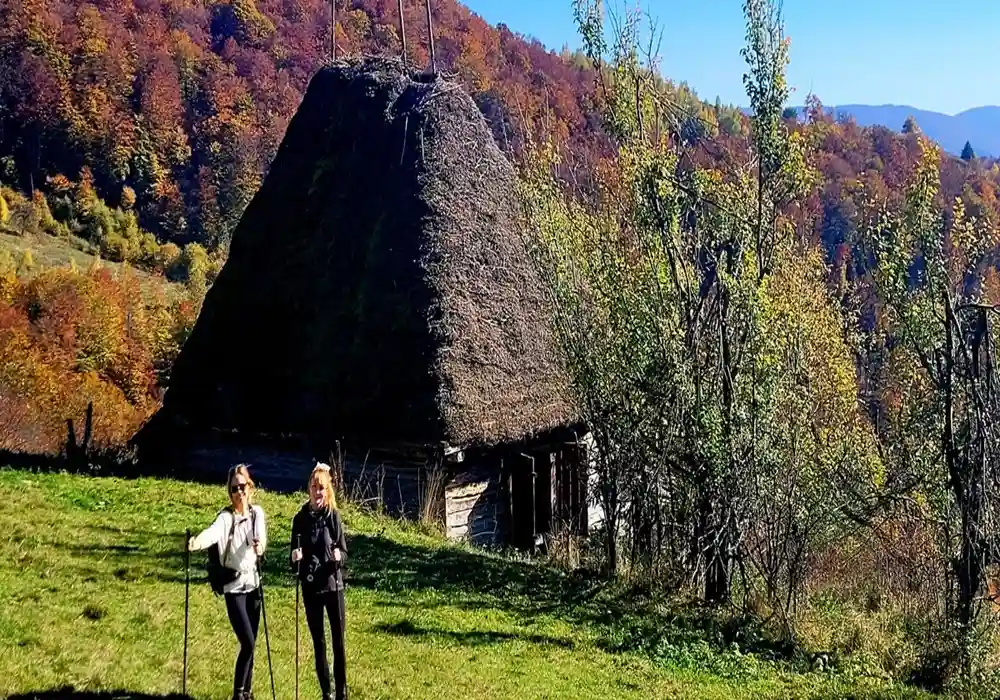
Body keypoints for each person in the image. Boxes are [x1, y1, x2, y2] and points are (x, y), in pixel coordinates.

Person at [188, 464, 268, 700]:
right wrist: (195, 542)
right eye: (234, 489)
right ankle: (237, 694)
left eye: (242, 487)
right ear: (230, 492)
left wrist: (260, 547)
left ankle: (247, 693)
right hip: (234, 587)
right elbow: (212, 534)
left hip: (253, 585)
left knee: (252, 644)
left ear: (249, 487)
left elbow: (262, 539)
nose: (239, 492)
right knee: (248, 643)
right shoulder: (225, 518)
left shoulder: (257, 514)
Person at [291, 462, 349, 700]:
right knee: (319, 643)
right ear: (309, 489)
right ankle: (327, 693)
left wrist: (338, 556)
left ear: (328, 491)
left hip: (333, 586)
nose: (317, 492)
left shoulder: (333, 517)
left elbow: (344, 553)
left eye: (322, 488)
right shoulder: (300, 519)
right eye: (314, 487)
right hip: (311, 588)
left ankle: (341, 693)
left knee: (338, 643)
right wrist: (295, 558)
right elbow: (293, 560)